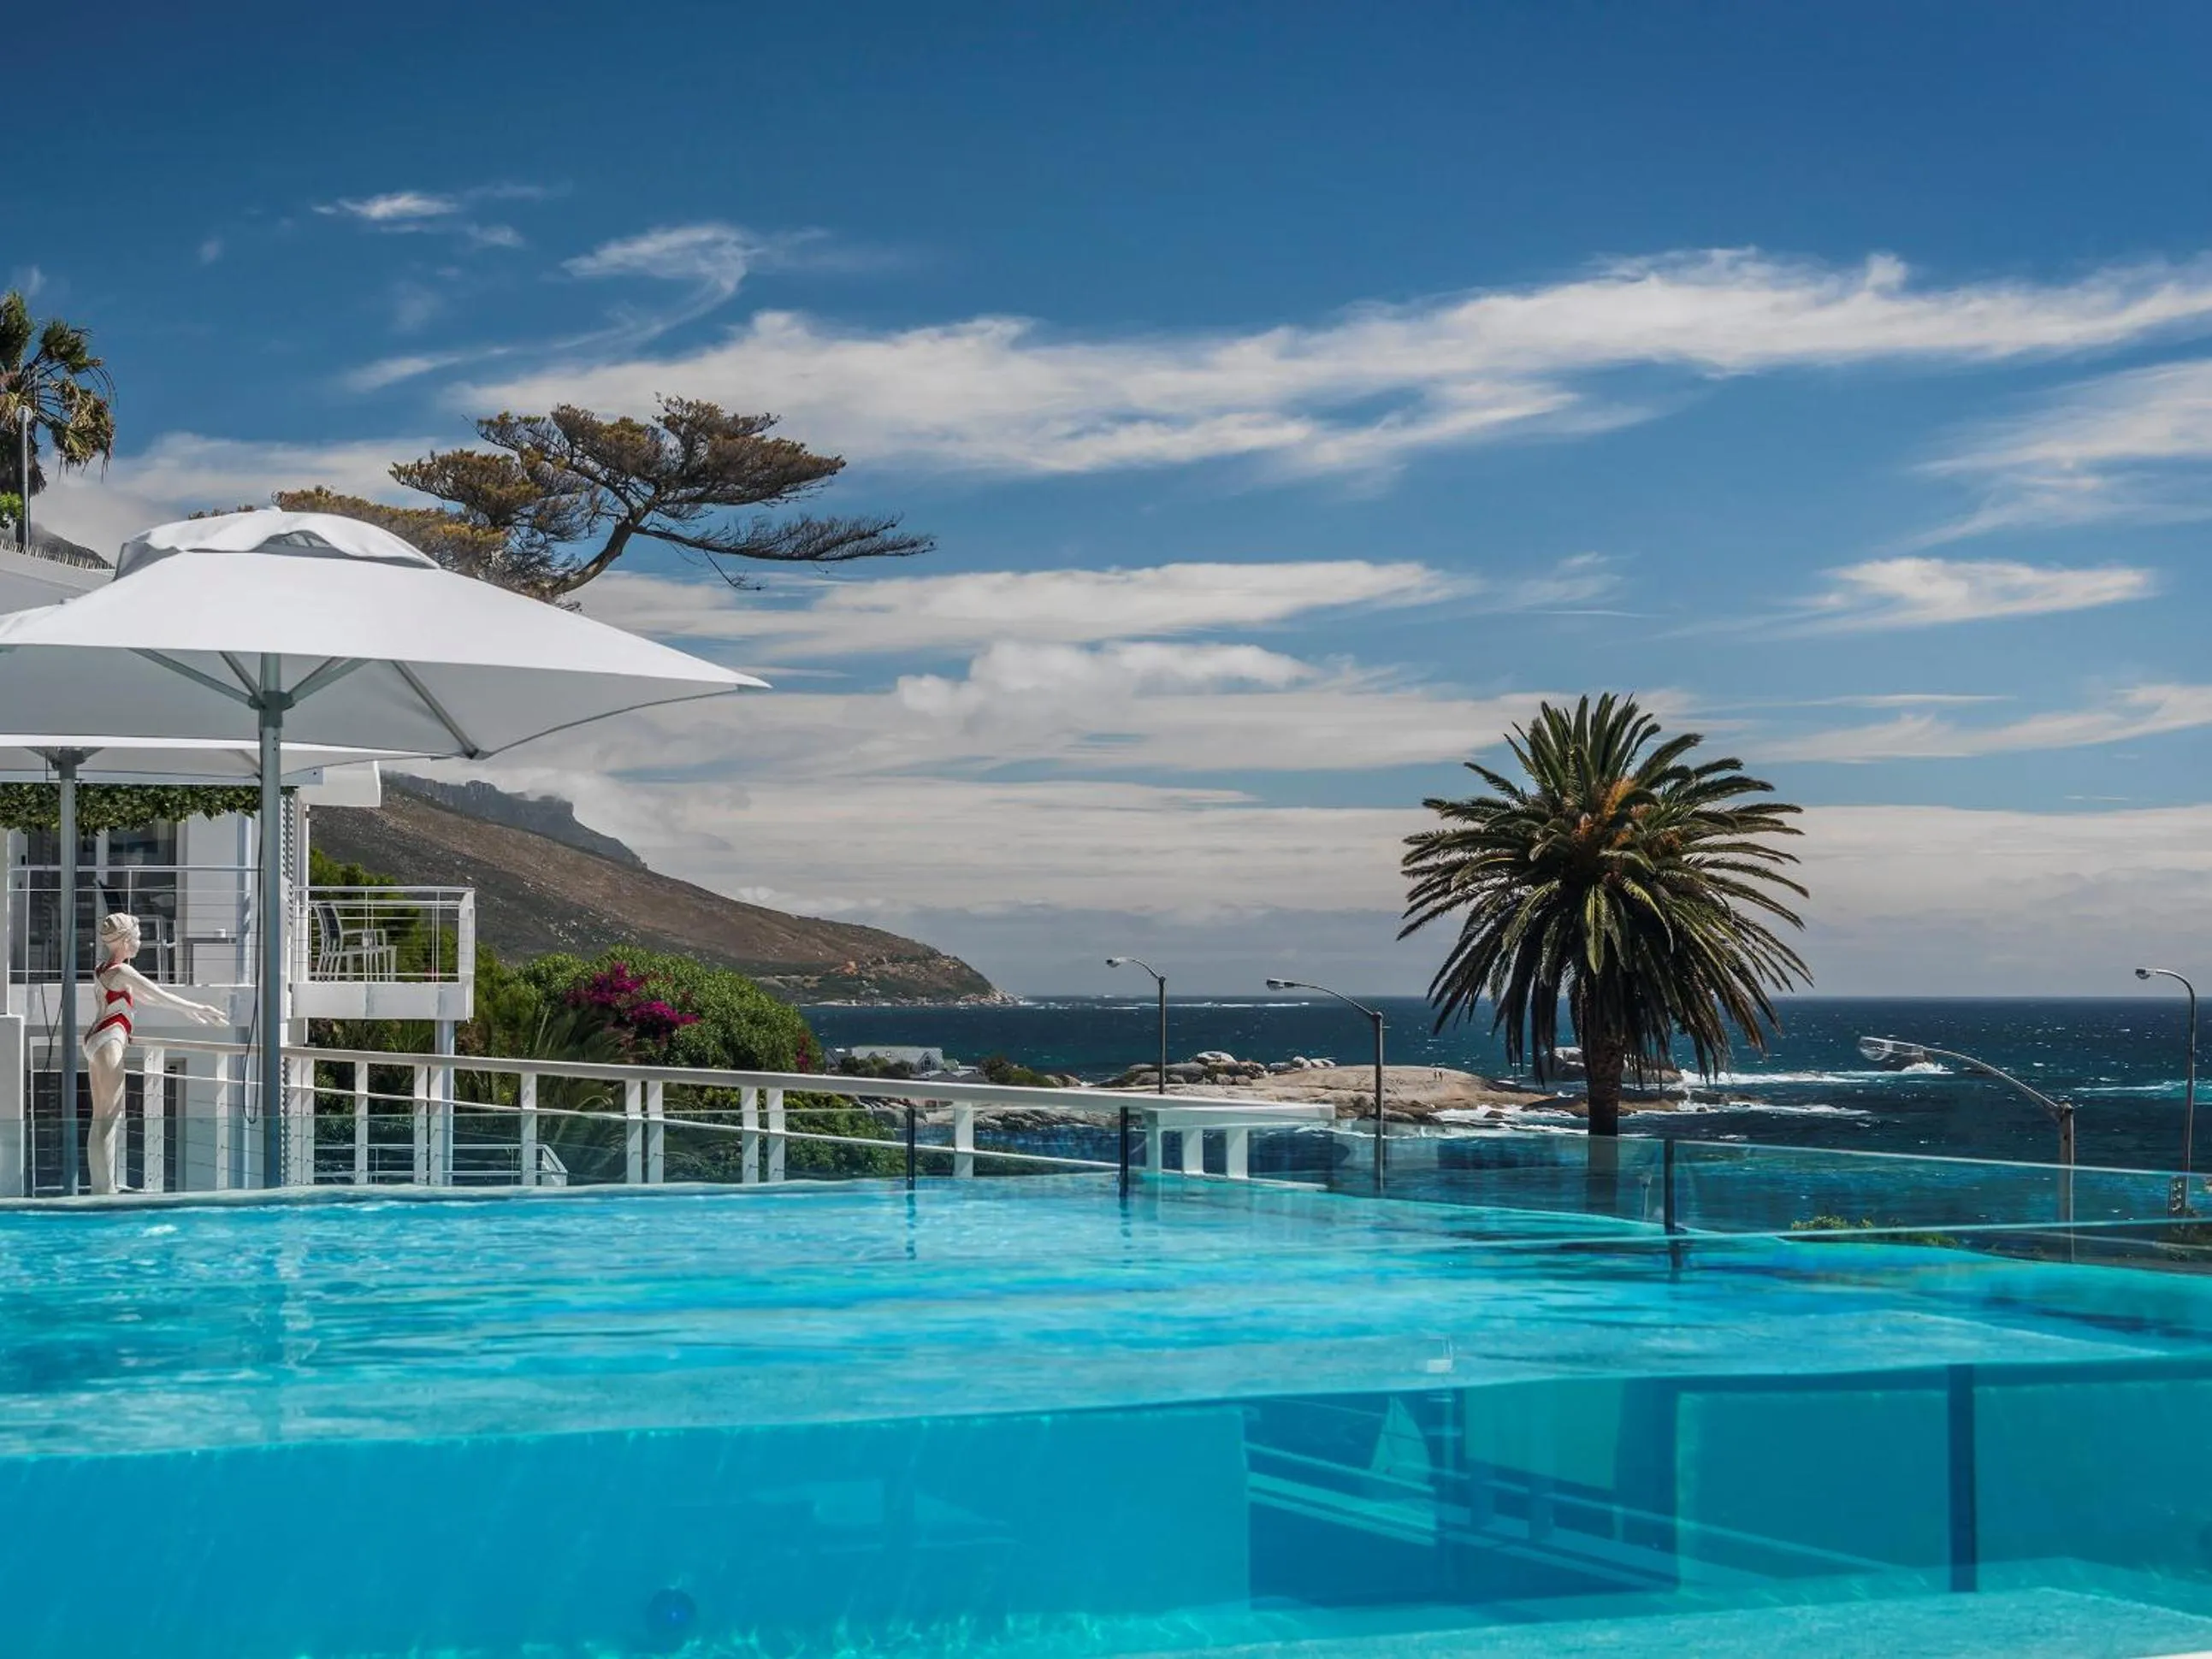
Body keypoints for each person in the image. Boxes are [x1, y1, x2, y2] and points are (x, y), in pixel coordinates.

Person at [81, 912, 224, 1196]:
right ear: (124, 940)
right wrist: (198, 1008)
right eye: (136, 936)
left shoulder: (103, 969)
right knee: (109, 1120)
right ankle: (104, 1192)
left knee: (101, 1119)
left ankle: (101, 1187)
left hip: (97, 1039)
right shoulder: (123, 971)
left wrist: (189, 1012)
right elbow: (159, 994)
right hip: (110, 1041)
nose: (140, 942)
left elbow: (146, 997)